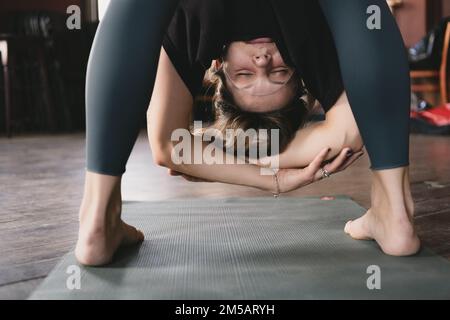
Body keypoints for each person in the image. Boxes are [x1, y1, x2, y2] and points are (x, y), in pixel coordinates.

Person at [76, 0, 420, 266]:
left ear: (218, 65)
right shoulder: (306, 36)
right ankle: (395, 211)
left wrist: (253, 164)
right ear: (299, 69)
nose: (262, 64)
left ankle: (97, 219)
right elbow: (348, 133)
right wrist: (273, 175)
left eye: (241, 75)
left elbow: (169, 145)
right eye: (281, 72)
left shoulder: (196, 29)